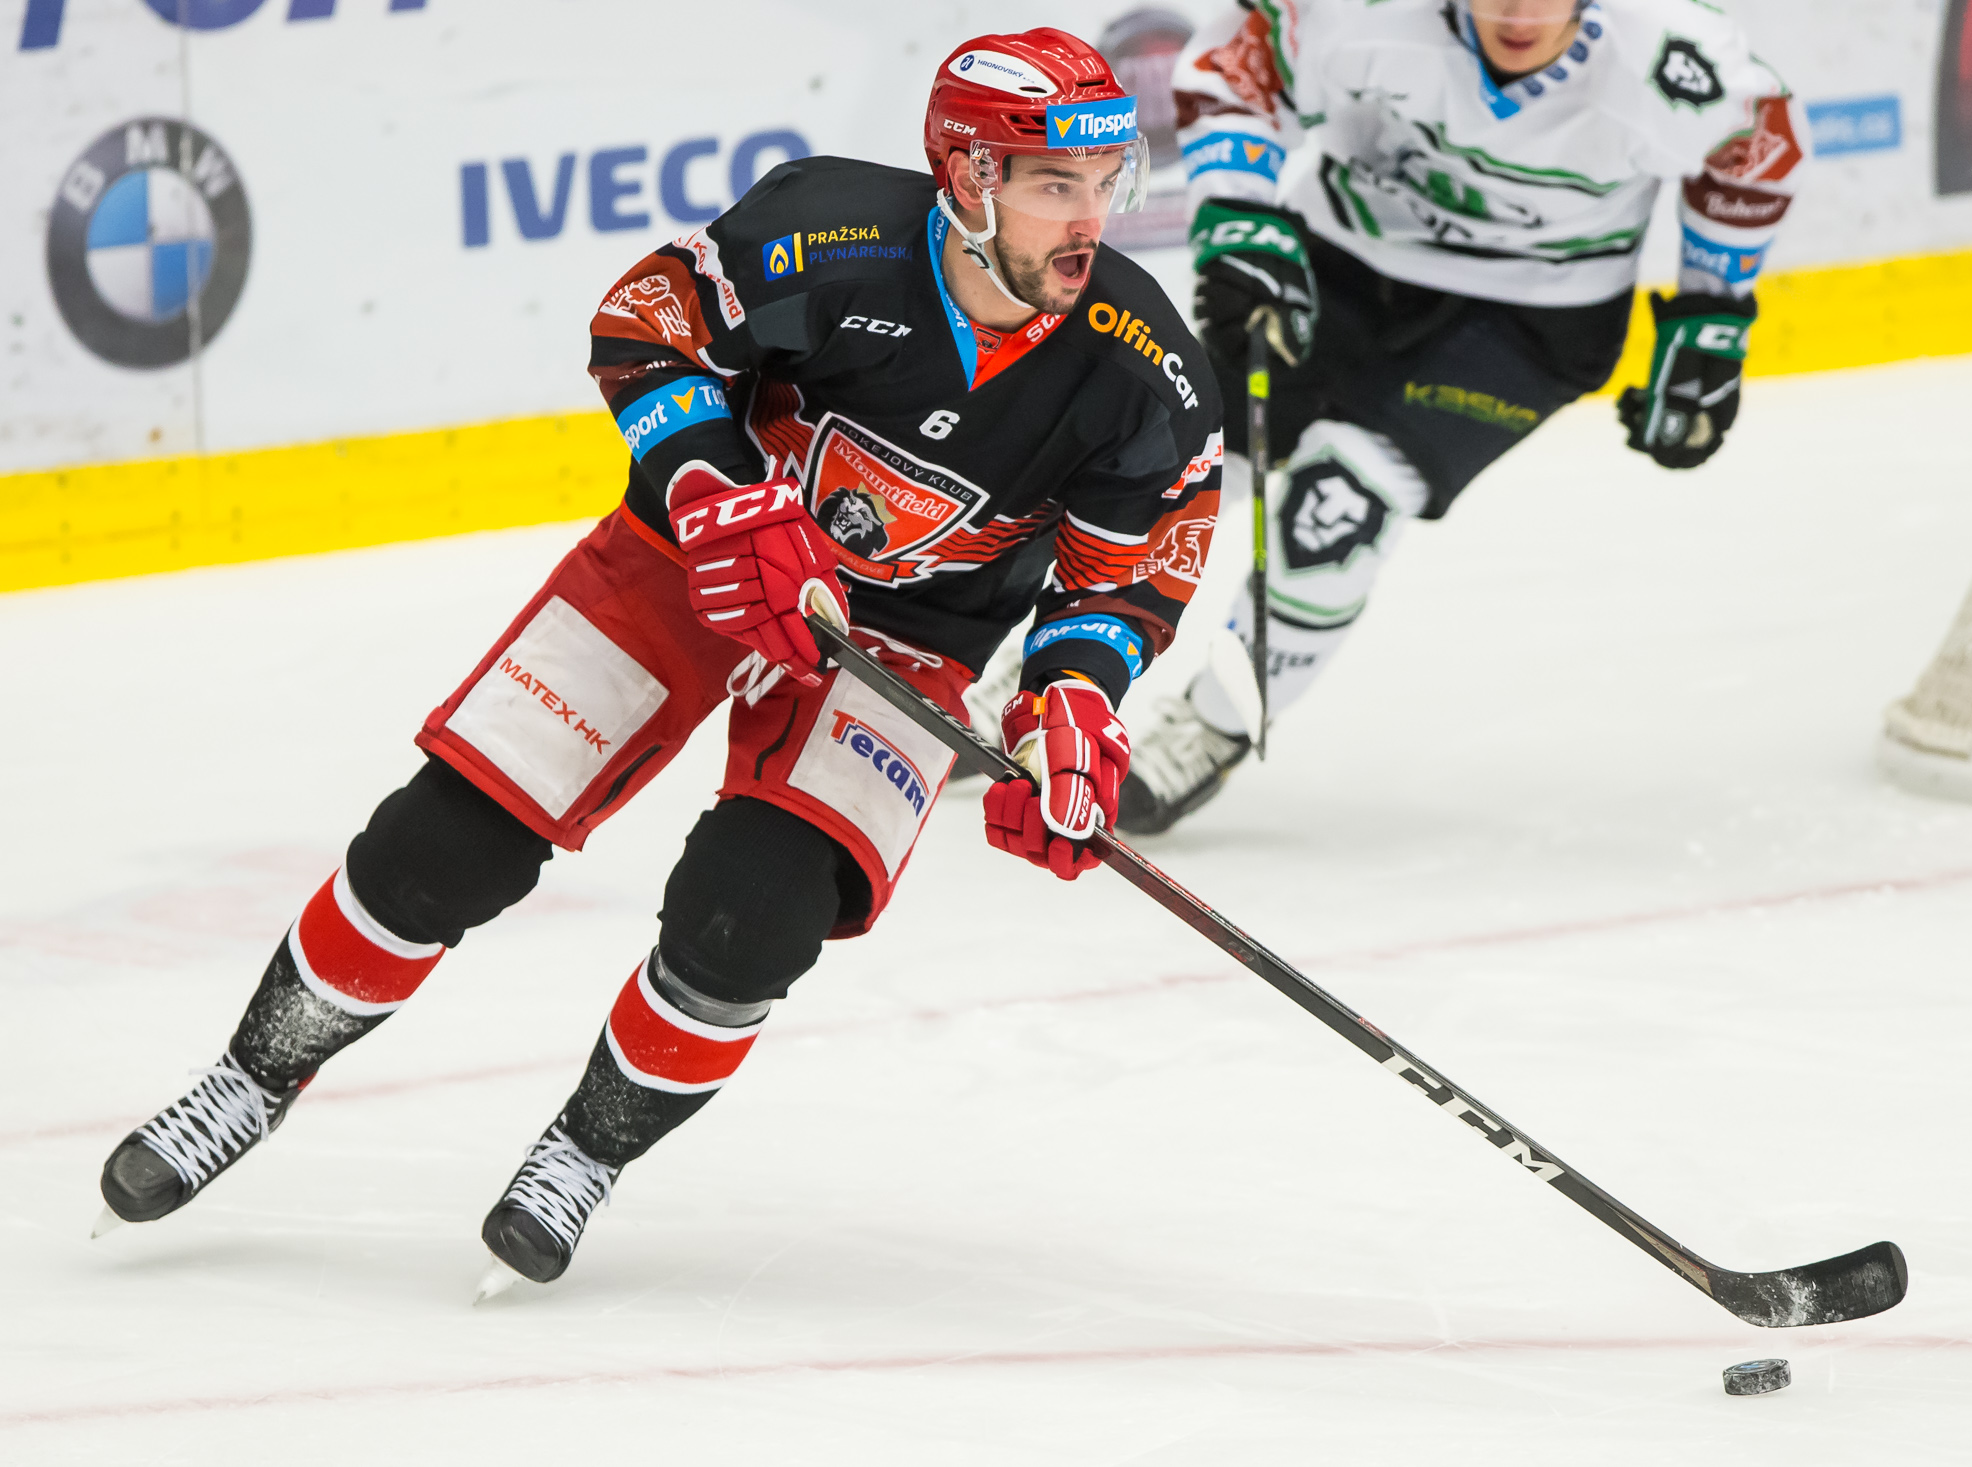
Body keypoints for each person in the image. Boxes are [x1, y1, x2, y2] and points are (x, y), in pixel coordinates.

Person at [93, 29, 1224, 1291]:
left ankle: (584, 1153)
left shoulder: (1145, 371)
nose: (1090, 219)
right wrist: (716, 493)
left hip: (906, 645)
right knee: (446, 844)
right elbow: (646, 325)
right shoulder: (828, 234)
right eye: (1055, 184)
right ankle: (249, 1079)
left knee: (754, 920)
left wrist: (1072, 702)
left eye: (1107, 181)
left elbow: (1122, 578)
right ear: (966, 176)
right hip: (699, 561)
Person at [1114, 0, 1806, 832]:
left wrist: (1712, 317)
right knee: (1175, 458)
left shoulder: (1671, 59)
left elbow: (1758, 146)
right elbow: (1240, 58)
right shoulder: (1364, 13)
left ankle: (1214, 726)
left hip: (1532, 322)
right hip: (1342, 261)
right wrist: (1241, 214)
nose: (1516, 11)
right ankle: (1066, 664)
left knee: (1338, 505)